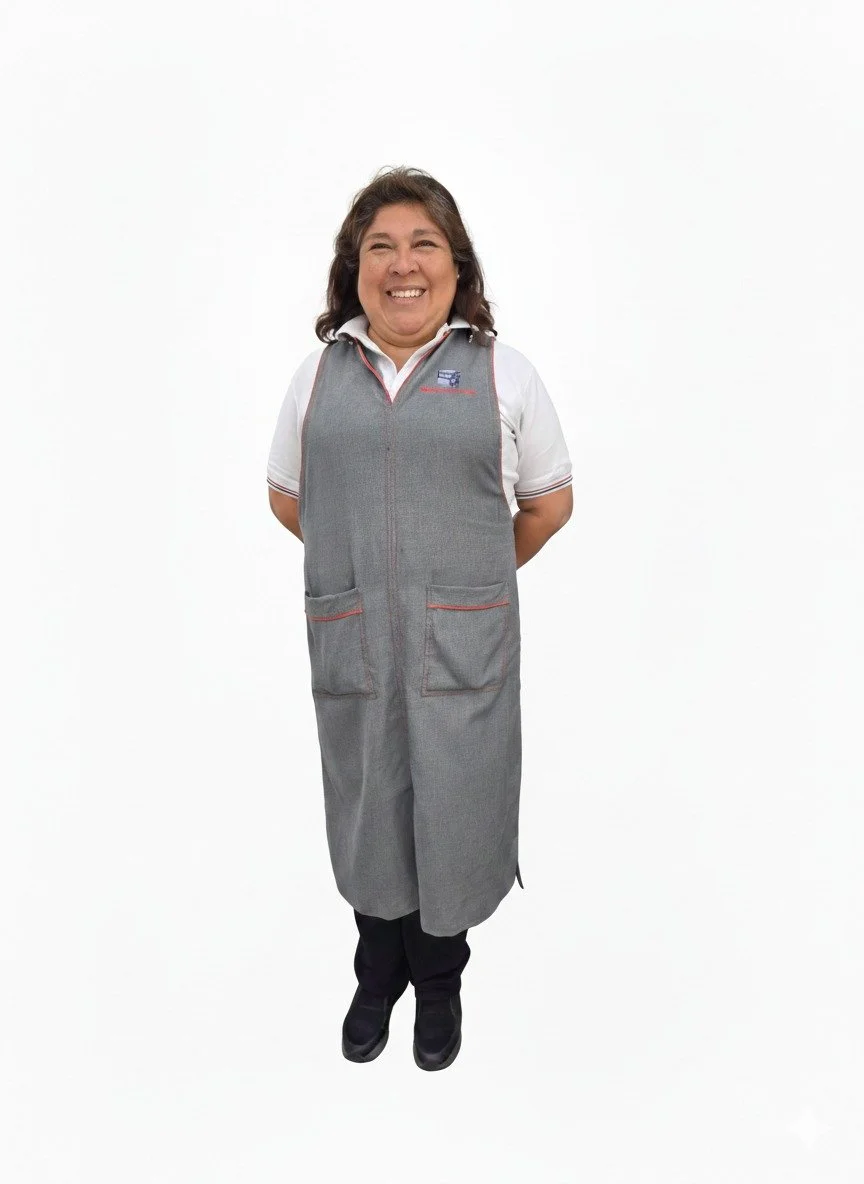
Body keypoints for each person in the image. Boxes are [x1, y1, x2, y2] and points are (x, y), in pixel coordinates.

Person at [267, 166, 573, 1071]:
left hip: (462, 651)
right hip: (354, 645)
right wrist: (365, 581)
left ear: (456, 263)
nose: (403, 265)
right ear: (354, 269)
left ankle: (439, 983)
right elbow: (291, 501)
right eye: (381, 247)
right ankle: (377, 969)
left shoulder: (503, 375)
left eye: (423, 244)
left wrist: (461, 587)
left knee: (455, 811)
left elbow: (549, 506)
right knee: (369, 808)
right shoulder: (317, 377)